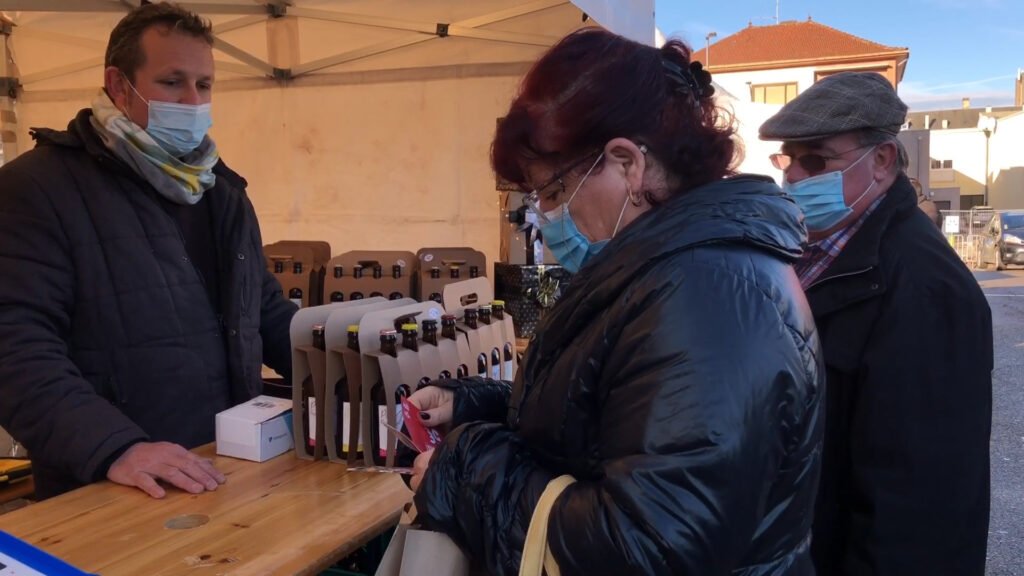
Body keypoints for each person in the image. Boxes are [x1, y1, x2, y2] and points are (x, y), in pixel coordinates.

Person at [408, 28, 824, 575]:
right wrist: (479, 404)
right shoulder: (679, 270)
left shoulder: (706, 297)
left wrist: (463, 469)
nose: (551, 216)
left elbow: (647, 546)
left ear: (627, 163)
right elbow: (617, 417)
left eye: (555, 192)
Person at [0, 3, 296, 500]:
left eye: (204, 85)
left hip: (226, 466)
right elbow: (14, 347)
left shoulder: (220, 190)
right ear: (119, 86)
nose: (191, 101)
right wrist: (114, 447)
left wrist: (348, 371)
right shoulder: (36, 189)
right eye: (172, 82)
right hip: (113, 484)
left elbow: (261, 309)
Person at [759, 72, 993, 575]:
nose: (795, 175)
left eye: (816, 159)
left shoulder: (925, 287)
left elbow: (920, 506)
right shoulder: (815, 250)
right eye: (788, 159)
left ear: (882, 162)